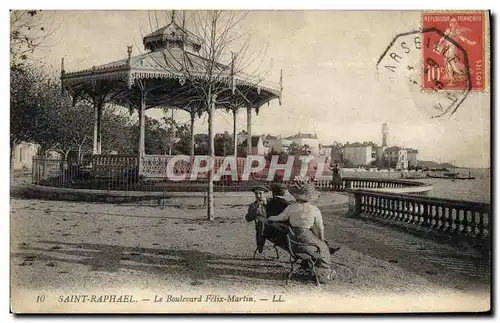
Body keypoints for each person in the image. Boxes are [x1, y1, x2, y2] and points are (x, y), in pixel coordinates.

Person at [267, 178, 336, 284]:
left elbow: (280, 217)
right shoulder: (314, 209)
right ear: (310, 197)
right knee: (323, 248)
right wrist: (321, 239)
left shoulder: (291, 207)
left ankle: (307, 268)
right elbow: (320, 227)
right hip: (306, 237)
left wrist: (270, 218)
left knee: (314, 246)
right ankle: (324, 272)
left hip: (293, 240)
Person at [245, 186, 269, 254]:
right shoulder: (253, 205)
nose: (258, 196)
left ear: (265, 193)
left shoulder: (271, 202)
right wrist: (256, 210)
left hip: (276, 225)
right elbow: (248, 219)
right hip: (263, 229)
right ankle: (260, 245)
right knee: (261, 222)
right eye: (256, 193)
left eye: (260, 193)